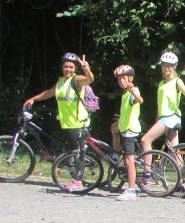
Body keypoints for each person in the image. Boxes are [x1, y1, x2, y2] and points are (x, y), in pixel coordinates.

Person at [23, 52, 94, 192]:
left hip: (77, 122)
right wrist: (33, 99)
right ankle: (48, 152)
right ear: (62, 67)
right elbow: (50, 92)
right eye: (66, 67)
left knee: (76, 152)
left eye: (71, 67)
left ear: (75, 69)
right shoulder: (61, 81)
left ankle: (78, 181)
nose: (68, 69)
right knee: (45, 126)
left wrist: (87, 69)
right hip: (63, 120)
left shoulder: (76, 80)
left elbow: (89, 79)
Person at [140, 52, 185, 186]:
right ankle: (180, 184)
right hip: (164, 118)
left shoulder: (177, 81)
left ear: (174, 67)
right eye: (164, 65)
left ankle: (147, 174)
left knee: (145, 140)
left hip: (170, 118)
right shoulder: (160, 84)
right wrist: (157, 120)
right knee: (175, 150)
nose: (166, 68)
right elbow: (160, 105)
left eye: (170, 66)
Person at [111, 65, 143, 201]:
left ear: (130, 78)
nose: (120, 80)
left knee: (129, 160)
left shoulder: (132, 91)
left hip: (130, 130)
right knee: (127, 159)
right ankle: (114, 154)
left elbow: (140, 100)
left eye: (123, 78)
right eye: (119, 78)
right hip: (124, 128)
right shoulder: (125, 93)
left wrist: (133, 92)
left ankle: (131, 190)